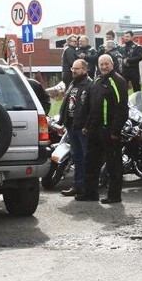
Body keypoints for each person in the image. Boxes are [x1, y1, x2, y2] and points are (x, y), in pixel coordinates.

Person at [76, 54, 128, 204]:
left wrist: (115, 131)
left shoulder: (118, 81)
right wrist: (86, 126)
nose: (104, 67)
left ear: (112, 64)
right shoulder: (97, 81)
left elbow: (122, 108)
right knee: (90, 162)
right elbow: (91, 107)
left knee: (113, 164)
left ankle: (114, 195)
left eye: (106, 64)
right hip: (94, 130)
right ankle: (90, 193)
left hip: (109, 131)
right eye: (101, 64)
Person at [58, 58, 92, 197]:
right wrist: (62, 122)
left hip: (83, 128)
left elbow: (92, 108)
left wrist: (87, 126)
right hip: (71, 126)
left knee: (86, 158)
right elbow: (66, 104)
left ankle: (87, 188)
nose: (73, 70)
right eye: (72, 68)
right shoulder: (73, 83)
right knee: (76, 157)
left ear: (84, 69)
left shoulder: (89, 84)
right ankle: (77, 186)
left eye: (76, 68)